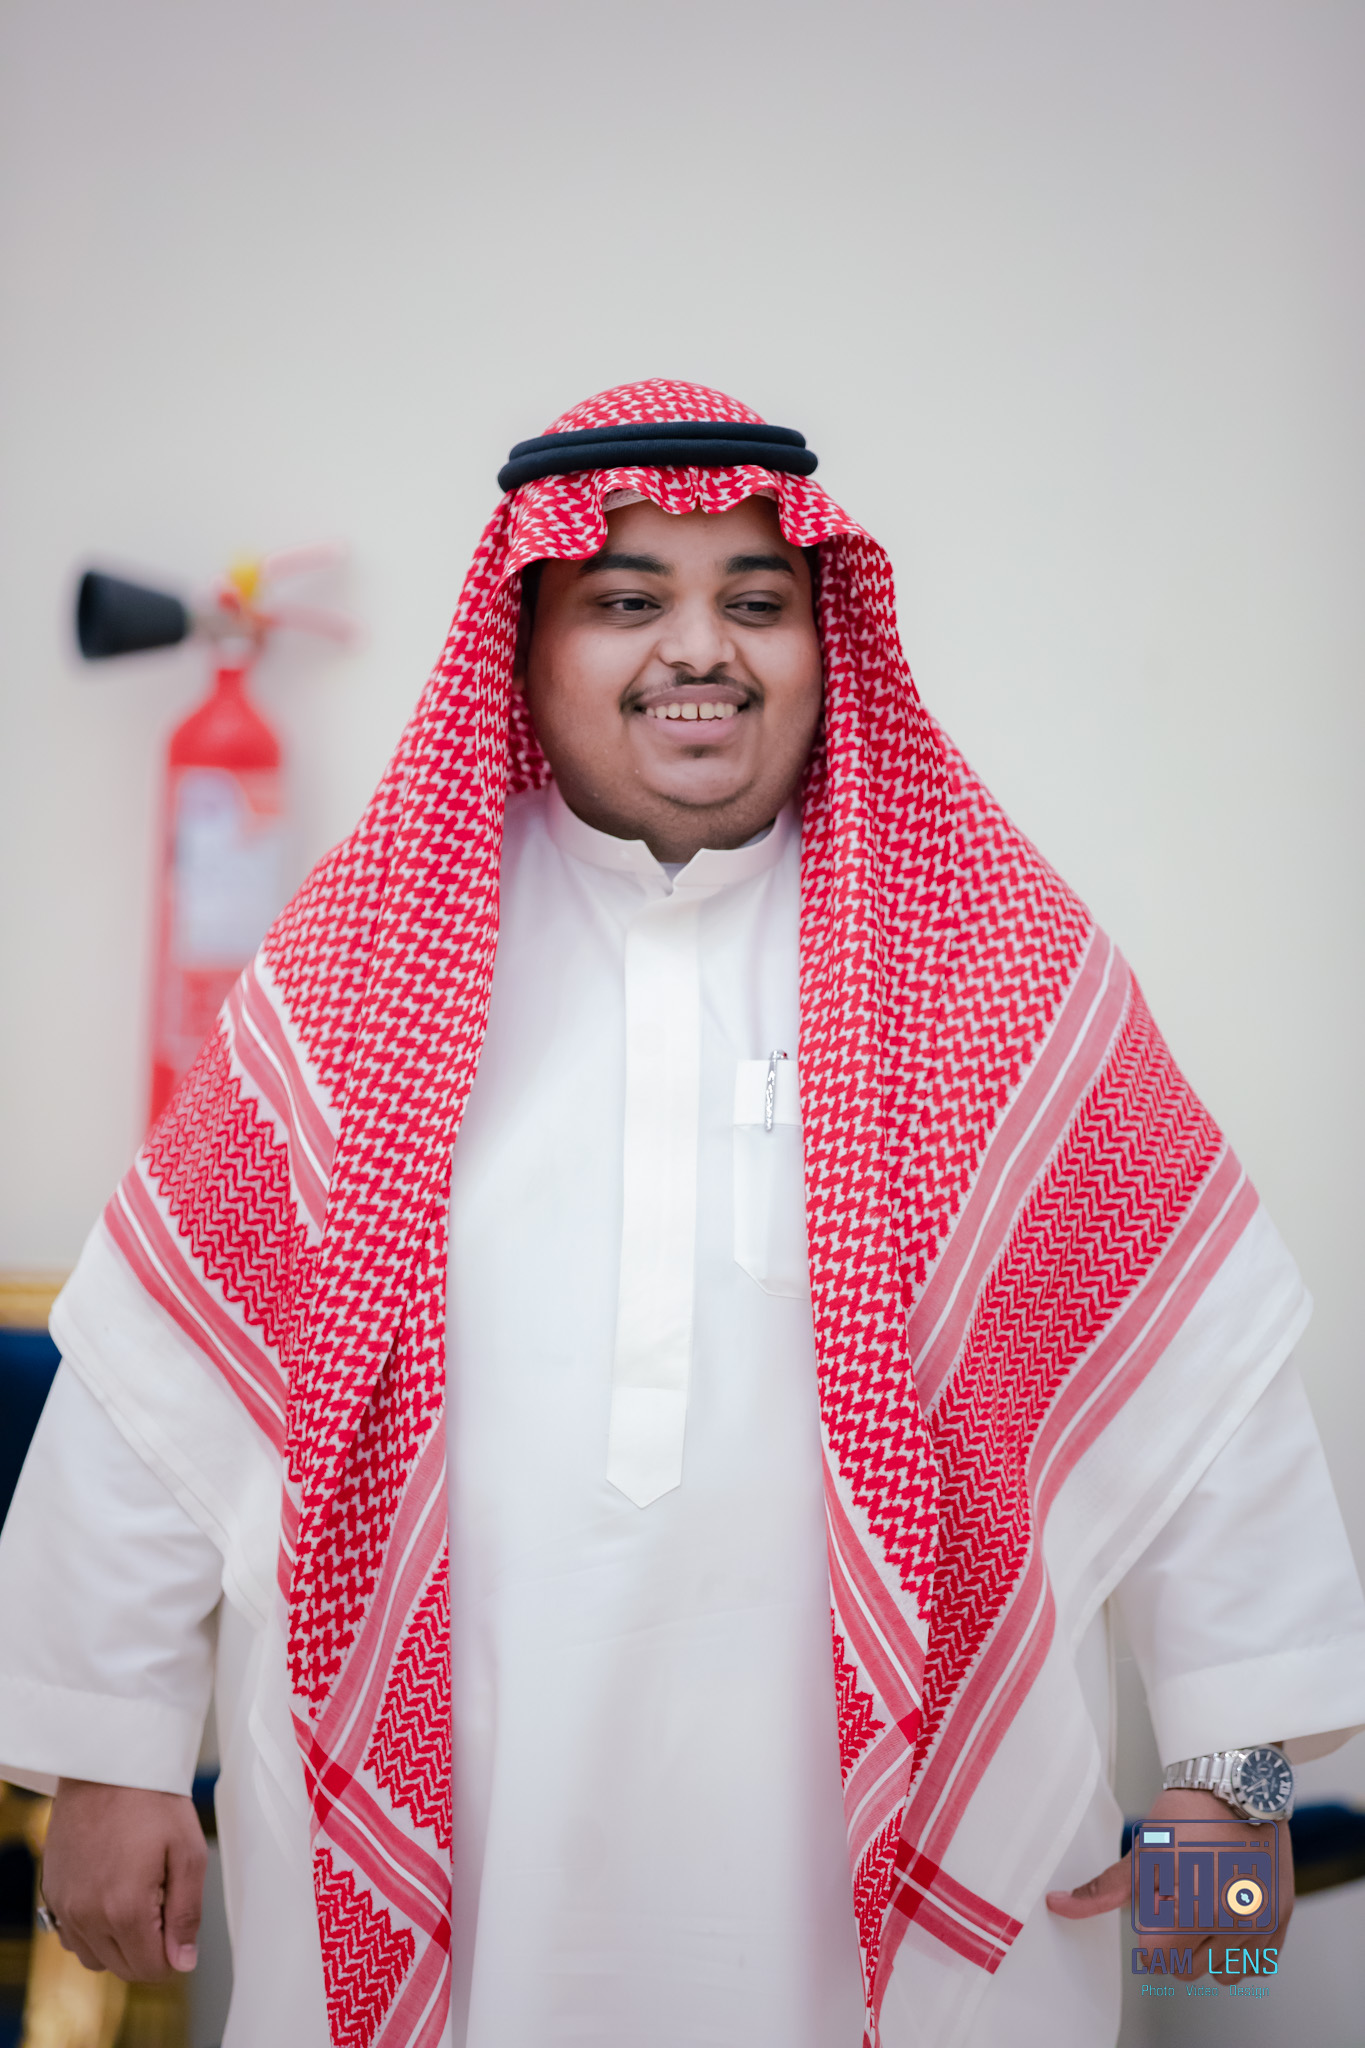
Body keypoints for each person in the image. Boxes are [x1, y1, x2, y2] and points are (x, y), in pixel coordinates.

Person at [1, 379, 1363, 2048]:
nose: (700, 649)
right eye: (629, 600)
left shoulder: (993, 970)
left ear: (824, 642)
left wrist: (1234, 1813)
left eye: (758, 603)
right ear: (525, 649)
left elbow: (1202, 1397)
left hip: (908, 1921)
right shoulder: (365, 974)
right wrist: (108, 1762)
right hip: (460, 1882)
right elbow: (157, 1387)